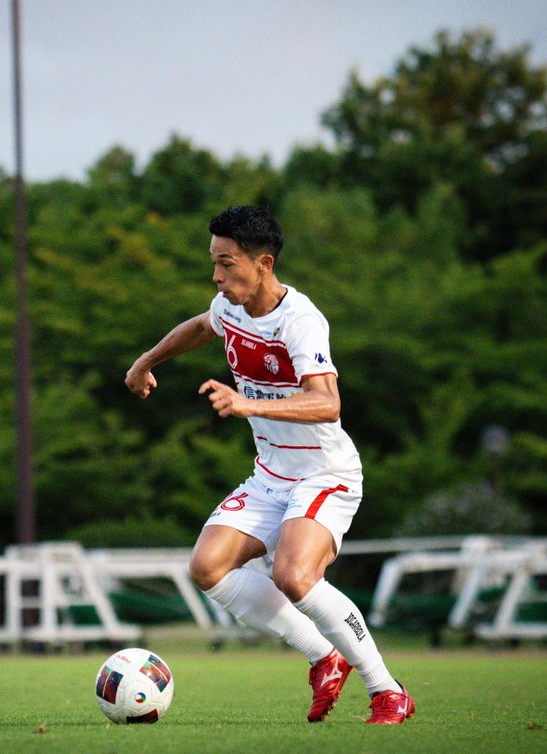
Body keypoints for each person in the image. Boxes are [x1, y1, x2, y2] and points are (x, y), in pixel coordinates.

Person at [125, 205, 414, 725]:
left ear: (263, 263)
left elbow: (328, 403)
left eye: (227, 263)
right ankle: (323, 656)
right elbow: (198, 328)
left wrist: (247, 403)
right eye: (213, 262)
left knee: (293, 575)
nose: (216, 275)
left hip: (325, 473)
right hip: (271, 475)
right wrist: (146, 361)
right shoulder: (228, 307)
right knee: (207, 568)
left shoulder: (300, 320)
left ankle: (387, 690)